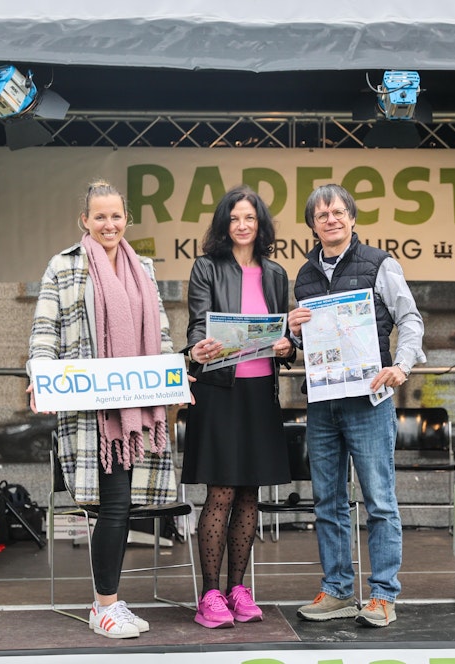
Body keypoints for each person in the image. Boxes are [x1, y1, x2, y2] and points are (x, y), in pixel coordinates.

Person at [27, 179, 179, 639]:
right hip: (92, 412)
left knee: (122, 507)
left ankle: (109, 600)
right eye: (100, 216)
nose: (109, 224)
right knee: (115, 506)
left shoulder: (143, 268)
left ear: (126, 219)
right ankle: (104, 607)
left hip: (137, 410)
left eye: (116, 216)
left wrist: (173, 375)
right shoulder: (64, 266)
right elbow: (45, 331)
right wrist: (40, 377)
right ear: (85, 220)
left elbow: (161, 333)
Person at [287, 183, 425, 628]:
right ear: (312, 225)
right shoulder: (304, 276)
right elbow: (304, 343)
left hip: (370, 400)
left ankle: (383, 595)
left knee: (379, 501)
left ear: (352, 217)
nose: (331, 219)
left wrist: (402, 366)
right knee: (327, 502)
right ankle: (338, 591)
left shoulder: (380, 264)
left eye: (338, 212)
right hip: (323, 403)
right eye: (321, 215)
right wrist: (292, 331)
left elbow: (409, 319)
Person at [182, 185, 295, 629]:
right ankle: (209, 594)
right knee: (222, 493)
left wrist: (288, 345)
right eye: (234, 218)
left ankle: (238, 589)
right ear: (223, 224)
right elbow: (197, 324)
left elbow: (284, 334)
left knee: (250, 493)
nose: (242, 225)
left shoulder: (276, 273)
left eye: (249, 217)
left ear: (260, 223)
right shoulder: (206, 267)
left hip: (260, 392)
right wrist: (197, 348)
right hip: (219, 392)